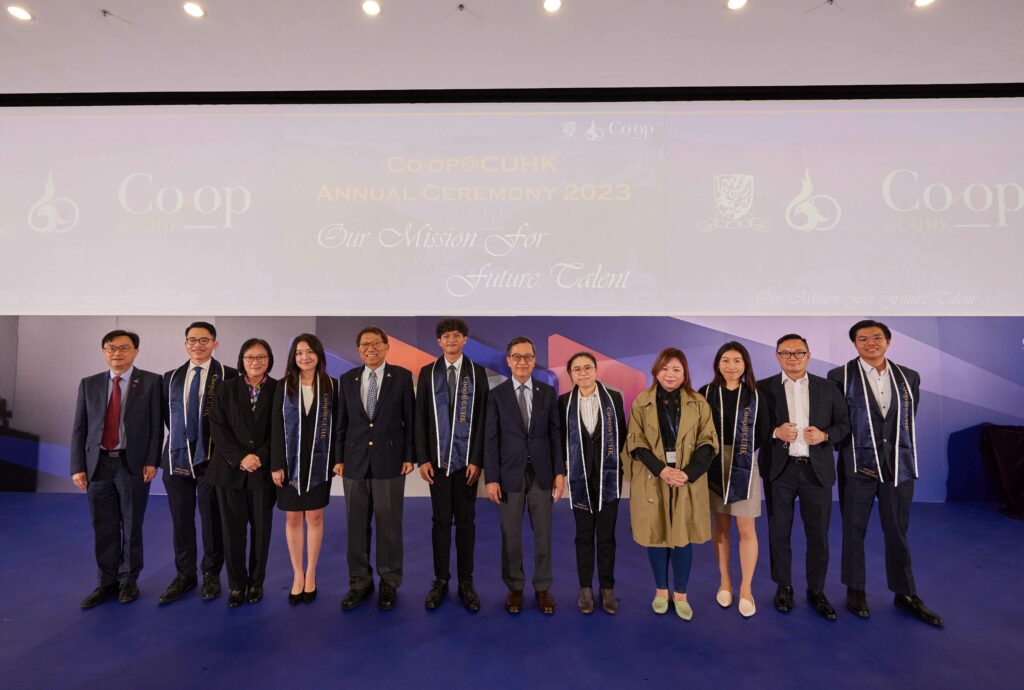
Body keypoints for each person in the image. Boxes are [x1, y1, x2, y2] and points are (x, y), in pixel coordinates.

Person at [827, 320, 943, 627]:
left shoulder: (909, 377)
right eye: (862, 339)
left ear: (888, 342)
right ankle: (855, 589)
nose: (870, 343)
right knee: (854, 530)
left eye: (876, 338)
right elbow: (839, 420)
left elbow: (905, 420)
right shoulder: (839, 376)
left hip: (897, 466)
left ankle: (905, 593)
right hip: (858, 466)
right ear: (854, 344)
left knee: (897, 531)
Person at [757, 334, 850, 620]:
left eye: (798, 353)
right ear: (776, 356)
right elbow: (751, 429)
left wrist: (825, 435)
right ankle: (783, 586)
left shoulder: (828, 388)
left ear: (809, 355)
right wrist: (775, 432)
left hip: (816, 470)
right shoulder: (761, 389)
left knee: (818, 536)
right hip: (779, 471)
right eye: (785, 353)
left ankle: (816, 590)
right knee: (778, 533)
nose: (792, 358)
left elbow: (844, 425)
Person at [71, 330, 162, 608]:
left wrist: (152, 460)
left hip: (131, 464)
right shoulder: (89, 384)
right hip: (97, 465)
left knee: (132, 525)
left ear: (135, 351)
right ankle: (106, 582)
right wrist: (78, 466)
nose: (117, 353)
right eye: (110, 348)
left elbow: (157, 426)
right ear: (103, 352)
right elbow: (80, 427)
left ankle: (128, 581)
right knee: (104, 526)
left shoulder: (151, 382)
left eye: (123, 348)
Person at [625, 347, 717, 621]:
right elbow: (635, 441)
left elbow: (708, 441)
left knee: (682, 537)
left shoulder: (698, 402)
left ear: (685, 373)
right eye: (665, 369)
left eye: (676, 369)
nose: (670, 374)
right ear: (656, 371)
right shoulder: (642, 401)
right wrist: (662, 469)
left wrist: (688, 473)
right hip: (654, 478)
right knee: (656, 534)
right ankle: (661, 591)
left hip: (687, 480)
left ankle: (681, 594)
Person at [335, 326, 415, 612]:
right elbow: (341, 422)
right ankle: (359, 582)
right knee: (356, 527)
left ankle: (389, 582)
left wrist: (409, 455)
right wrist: (338, 458)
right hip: (354, 463)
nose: (370, 349)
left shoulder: (403, 377)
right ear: (358, 349)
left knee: (389, 525)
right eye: (364, 345)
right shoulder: (347, 379)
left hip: (390, 461)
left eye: (375, 344)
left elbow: (410, 420)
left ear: (386, 346)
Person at [158, 321, 237, 604]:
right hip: (177, 459)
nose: (198, 345)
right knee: (181, 522)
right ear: (185, 344)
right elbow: (168, 419)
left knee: (212, 521)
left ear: (215, 344)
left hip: (213, 461)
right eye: (192, 340)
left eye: (205, 340)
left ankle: (212, 575)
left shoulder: (229, 375)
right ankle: (184, 576)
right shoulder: (169, 378)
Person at [485, 336, 564, 615]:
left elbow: (555, 435)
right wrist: (491, 478)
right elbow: (490, 439)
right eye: (516, 357)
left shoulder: (547, 392)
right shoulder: (496, 395)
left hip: (542, 474)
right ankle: (515, 588)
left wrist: (559, 473)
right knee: (511, 535)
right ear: (508, 360)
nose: (522, 362)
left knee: (544, 535)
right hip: (508, 475)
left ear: (534, 360)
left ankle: (543, 588)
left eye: (528, 357)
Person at [415, 317, 489, 612]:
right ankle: (441, 579)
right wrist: (423, 458)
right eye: (446, 337)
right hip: (437, 464)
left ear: (465, 340)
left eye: (456, 336)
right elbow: (420, 417)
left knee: (467, 523)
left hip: (467, 466)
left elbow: (483, 419)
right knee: (440, 522)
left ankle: (466, 581)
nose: (451, 340)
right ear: (439, 342)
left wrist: (477, 460)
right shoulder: (427, 373)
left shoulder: (477, 373)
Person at [698, 342, 770, 618]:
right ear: (718, 364)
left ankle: (746, 588)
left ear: (745, 364)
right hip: (713, 461)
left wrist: (742, 452)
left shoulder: (756, 395)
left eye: (736, 361)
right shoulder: (706, 393)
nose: (731, 366)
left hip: (743, 462)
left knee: (746, 528)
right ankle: (725, 582)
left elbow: (762, 431)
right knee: (721, 525)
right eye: (725, 360)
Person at [206, 338, 277, 607]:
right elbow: (218, 428)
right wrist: (240, 457)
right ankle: (236, 586)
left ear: (269, 359)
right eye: (250, 357)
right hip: (229, 472)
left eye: (261, 357)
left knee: (261, 532)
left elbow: (281, 431)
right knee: (232, 532)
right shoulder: (226, 388)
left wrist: (259, 456)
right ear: (241, 360)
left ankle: (256, 584)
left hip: (262, 471)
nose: (255, 362)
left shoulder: (280, 389)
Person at [558, 352, 627, 615]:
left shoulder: (614, 398)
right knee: (583, 536)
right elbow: (562, 439)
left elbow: (619, 434)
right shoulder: (564, 402)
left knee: (607, 536)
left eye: (587, 368)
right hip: (579, 478)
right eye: (577, 369)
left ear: (596, 370)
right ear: (571, 374)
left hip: (608, 477)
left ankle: (607, 588)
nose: (583, 373)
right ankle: (585, 588)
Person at [271, 334, 337, 605]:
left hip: (320, 463)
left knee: (316, 517)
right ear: (293, 358)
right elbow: (274, 427)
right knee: (293, 519)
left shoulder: (332, 386)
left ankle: (312, 573)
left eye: (309, 352)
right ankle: (297, 574)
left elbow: (340, 426)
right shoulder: (283, 386)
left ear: (319, 354)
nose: (304, 357)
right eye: (299, 353)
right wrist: (276, 464)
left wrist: (337, 460)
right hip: (288, 465)